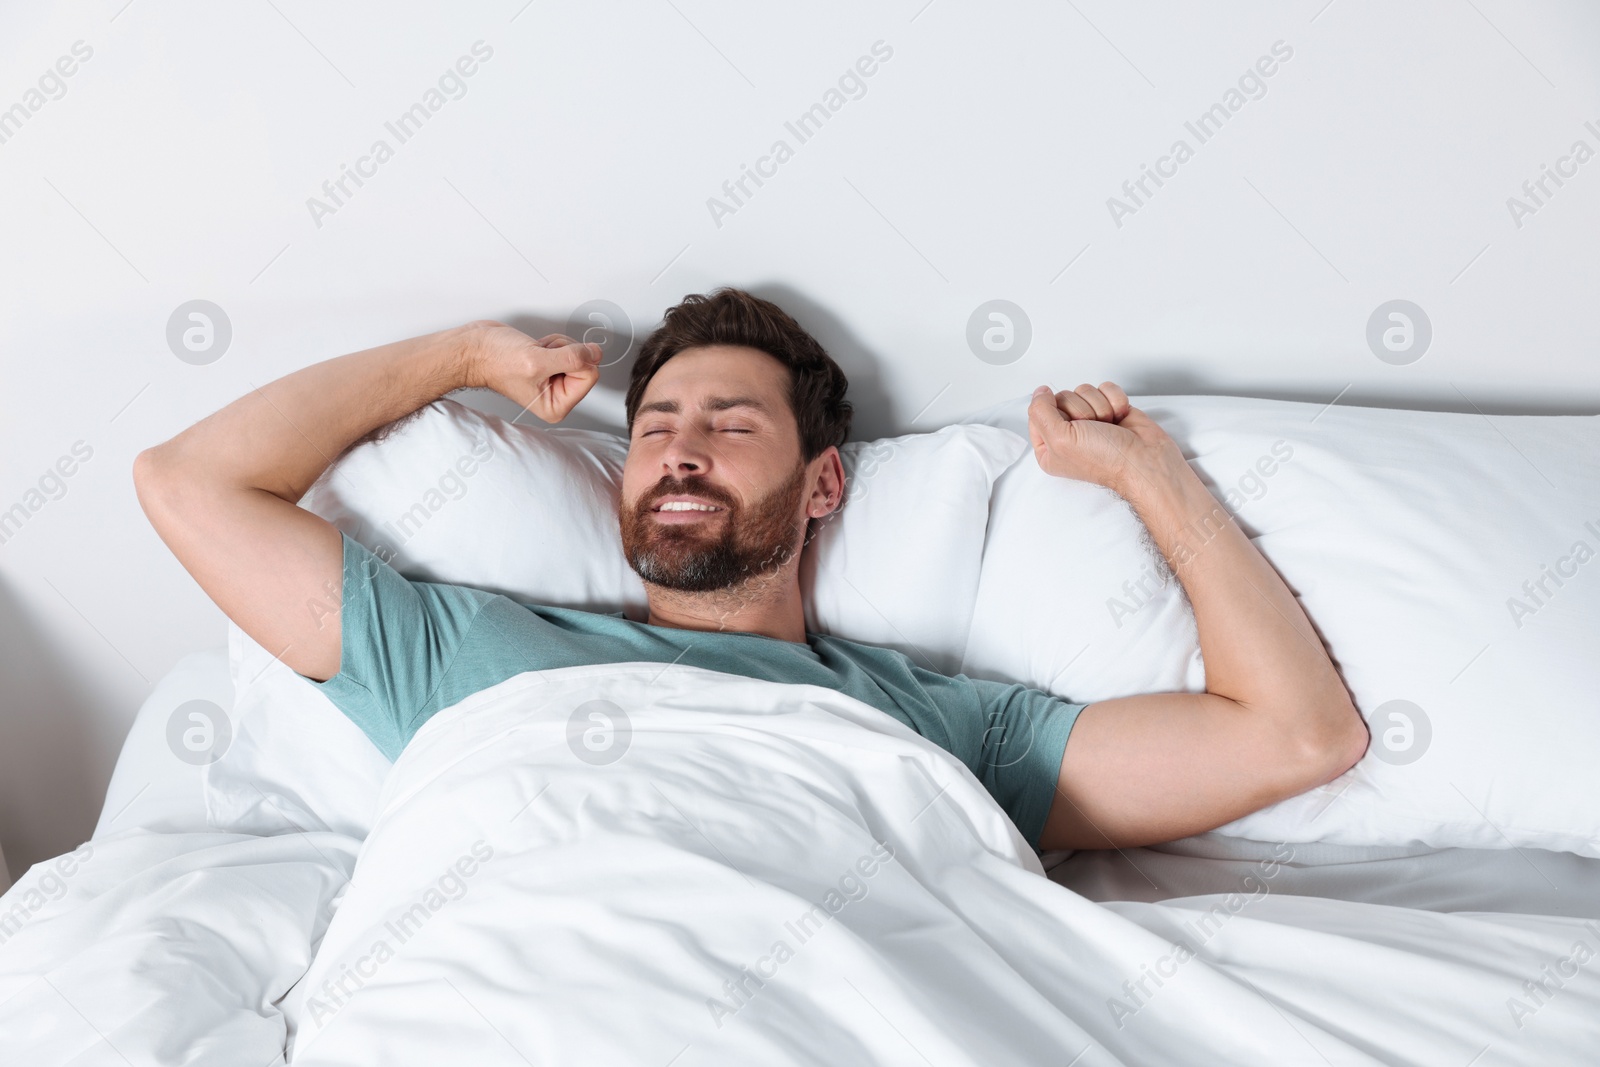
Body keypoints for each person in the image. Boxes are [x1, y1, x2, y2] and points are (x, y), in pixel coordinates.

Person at [133, 288, 1368, 852]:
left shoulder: (941, 723)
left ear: (823, 484)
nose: (677, 451)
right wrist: (462, 351)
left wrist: (1149, 477)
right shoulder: (471, 651)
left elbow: (1294, 738)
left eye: (731, 428)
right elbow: (184, 483)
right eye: (655, 427)